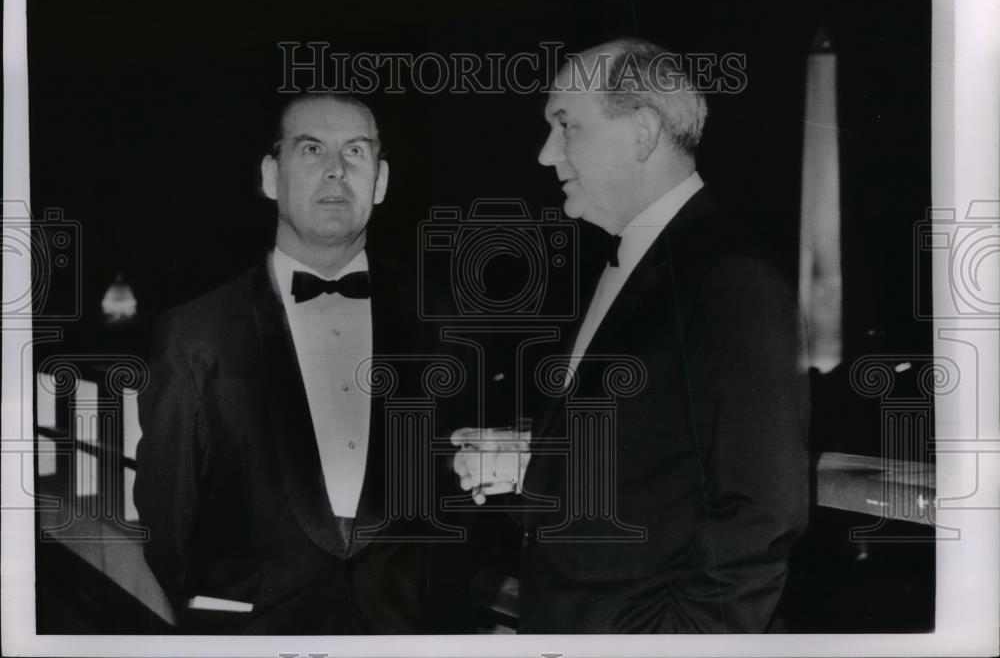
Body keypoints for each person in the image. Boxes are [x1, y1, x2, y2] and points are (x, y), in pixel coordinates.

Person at [452, 39, 809, 633]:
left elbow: (762, 511)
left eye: (566, 125)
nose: (546, 155)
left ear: (641, 132)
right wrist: (534, 458)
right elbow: (656, 462)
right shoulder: (634, 263)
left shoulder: (732, 279)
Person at [135, 94, 431, 634]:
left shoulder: (443, 323)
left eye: (356, 152)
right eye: (312, 149)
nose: (337, 169)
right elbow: (167, 522)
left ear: (381, 181)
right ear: (272, 176)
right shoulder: (195, 332)